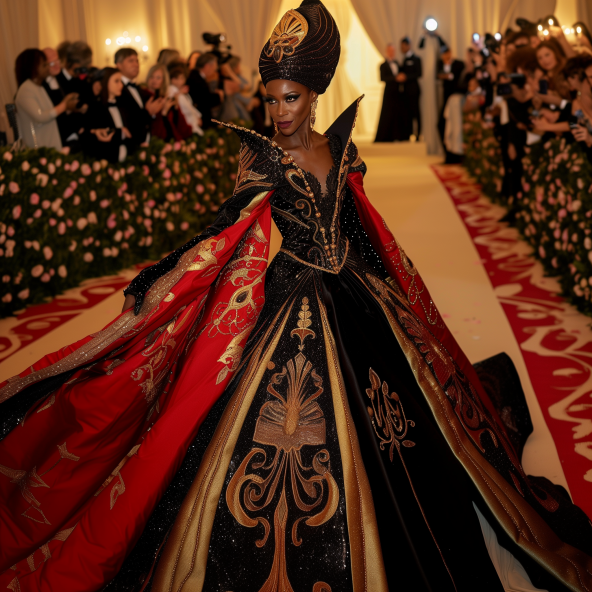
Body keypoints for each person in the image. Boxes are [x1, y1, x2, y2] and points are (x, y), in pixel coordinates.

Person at [1, 4, 591, 592]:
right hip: (290, 291)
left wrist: (387, 283)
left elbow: (363, 228)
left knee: (410, 420)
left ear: (313, 96)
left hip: (356, 293)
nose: (279, 112)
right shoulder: (260, 154)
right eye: (272, 99)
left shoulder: (342, 149)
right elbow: (224, 228)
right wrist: (160, 280)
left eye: (291, 99)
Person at [14, 48, 78, 150]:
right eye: (44, 65)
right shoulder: (26, 90)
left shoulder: (38, 87)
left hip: (49, 145)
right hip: (38, 148)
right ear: (33, 68)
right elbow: (41, 116)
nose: (48, 67)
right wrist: (65, 105)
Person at [115, 47, 166, 151]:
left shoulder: (139, 89)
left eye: (137, 61)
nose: (136, 64)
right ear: (118, 65)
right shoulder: (117, 90)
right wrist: (148, 112)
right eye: (130, 61)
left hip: (146, 144)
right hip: (130, 147)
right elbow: (127, 119)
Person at [81, 67, 132, 163]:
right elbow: (93, 136)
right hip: (106, 161)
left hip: (125, 162)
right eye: (116, 81)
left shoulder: (123, 107)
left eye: (121, 81)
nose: (121, 85)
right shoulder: (95, 108)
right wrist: (119, 132)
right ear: (105, 82)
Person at [145, 63, 192, 141]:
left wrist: (175, 108)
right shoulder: (145, 96)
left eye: (158, 78)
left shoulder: (165, 96)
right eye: (152, 77)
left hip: (168, 136)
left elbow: (175, 122)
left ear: (164, 80)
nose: (154, 80)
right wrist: (163, 112)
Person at [437, 45, 465, 160]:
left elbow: (456, 78)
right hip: (446, 99)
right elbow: (440, 75)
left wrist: (448, 74)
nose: (445, 55)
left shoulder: (459, 64)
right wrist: (446, 66)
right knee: (442, 125)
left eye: (446, 53)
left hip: (457, 100)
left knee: (456, 127)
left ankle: (456, 154)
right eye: (443, 54)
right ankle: (448, 153)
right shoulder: (441, 64)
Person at [375, 43, 404, 142]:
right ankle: (384, 136)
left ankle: (397, 136)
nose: (392, 53)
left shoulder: (397, 63)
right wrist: (395, 78)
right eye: (390, 51)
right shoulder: (383, 65)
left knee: (397, 113)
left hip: (398, 92)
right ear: (387, 52)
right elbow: (382, 78)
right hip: (388, 92)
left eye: (393, 51)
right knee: (386, 113)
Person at [186, 52, 224, 129]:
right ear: (207, 66)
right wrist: (219, 96)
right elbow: (204, 100)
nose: (214, 70)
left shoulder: (197, 76)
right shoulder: (196, 79)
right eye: (214, 67)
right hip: (199, 119)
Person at [167, 64, 203, 135]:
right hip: (185, 123)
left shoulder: (180, 91)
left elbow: (190, 106)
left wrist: (197, 116)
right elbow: (186, 108)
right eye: (181, 78)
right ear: (173, 80)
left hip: (190, 122)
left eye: (183, 78)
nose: (184, 81)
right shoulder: (171, 90)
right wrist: (196, 117)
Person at [399, 36, 422, 140]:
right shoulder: (403, 59)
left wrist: (406, 77)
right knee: (406, 113)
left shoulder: (416, 59)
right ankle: (407, 134)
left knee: (415, 113)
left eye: (403, 46)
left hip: (414, 90)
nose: (402, 48)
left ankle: (418, 134)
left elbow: (419, 73)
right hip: (405, 91)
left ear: (408, 45)